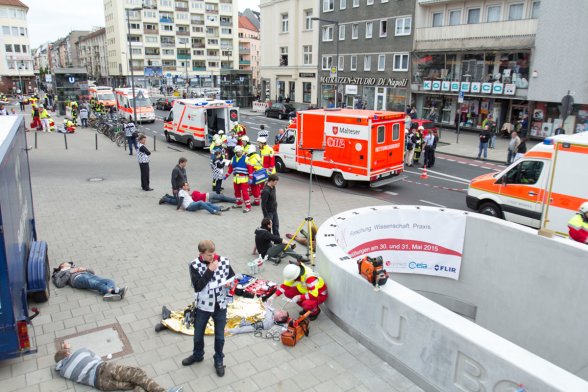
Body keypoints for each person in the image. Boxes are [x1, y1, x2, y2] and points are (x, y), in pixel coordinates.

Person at [182, 240, 235, 377]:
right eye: (209, 256)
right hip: (203, 306)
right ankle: (198, 355)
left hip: (220, 305)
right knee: (198, 334)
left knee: (220, 337)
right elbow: (198, 286)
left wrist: (230, 284)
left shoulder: (223, 261)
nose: (213, 258)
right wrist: (210, 271)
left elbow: (232, 277)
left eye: (213, 254)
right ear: (201, 254)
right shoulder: (194, 265)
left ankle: (219, 359)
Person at [54, 341, 182, 392]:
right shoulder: (79, 352)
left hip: (100, 385)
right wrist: (67, 348)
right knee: (138, 374)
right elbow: (97, 357)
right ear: (67, 354)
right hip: (103, 369)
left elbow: (62, 362)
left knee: (134, 385)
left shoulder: (63, 371)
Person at [52, 262, 127, 301]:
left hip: (87, 274)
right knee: (95, 283)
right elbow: (59, 284)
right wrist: (70, 272)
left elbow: (92, 272)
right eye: (66, 263)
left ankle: (110, 293)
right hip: (76, 279)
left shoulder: (75, 267)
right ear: (62, 265)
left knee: (109, 280)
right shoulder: (59, 273)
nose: (69, 264)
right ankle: (114, 292)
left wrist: (84, 269)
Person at [224, 145, 252, 213]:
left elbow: (250, 169)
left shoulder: (246, 158)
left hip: (244, 179)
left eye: (240, 152)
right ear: (236, 152)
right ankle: (239, 203)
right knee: (236, 192)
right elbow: (231, 169)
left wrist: (251, 178)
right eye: (238, 152)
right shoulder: (233, 158)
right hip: (236, 179)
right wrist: (226, 176)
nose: (239, 153)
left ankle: (248, 206)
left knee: (245, 193)